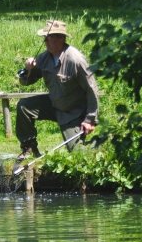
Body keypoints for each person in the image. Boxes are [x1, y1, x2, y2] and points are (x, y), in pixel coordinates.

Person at [15, 20, 100, 159]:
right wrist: (28, 69)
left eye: (48, 37)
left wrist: (90, 120)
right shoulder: (44, 57)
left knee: (79, 156)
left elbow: (92, 91)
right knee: (24, 106)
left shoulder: (76, 60)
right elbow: (26, 82)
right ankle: (28, 149)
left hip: (73, 113)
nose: (45, 41)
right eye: (45, 37)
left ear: (60, 38)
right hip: (54, 104)